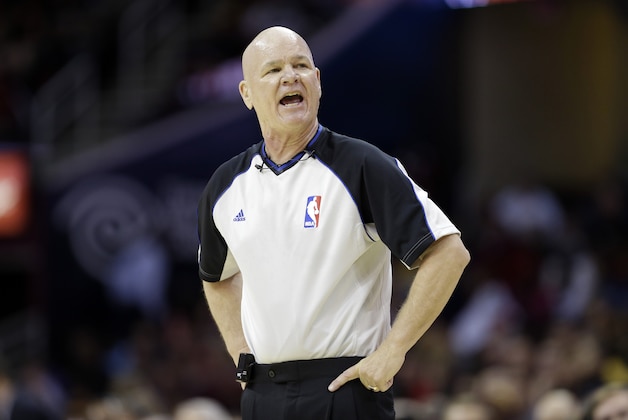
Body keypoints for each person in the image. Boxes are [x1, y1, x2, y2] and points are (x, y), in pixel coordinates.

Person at [196, 25, 470, 420]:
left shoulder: (362, 164)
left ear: (318, 82)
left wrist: (394, 349)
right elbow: (216, 276)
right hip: (263, 394)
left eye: (301, 65)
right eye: (273, 70)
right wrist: (242, 354)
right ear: (246, 94)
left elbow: (449, 253)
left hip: (345, 389)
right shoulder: (225, 185)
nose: (290, 76)